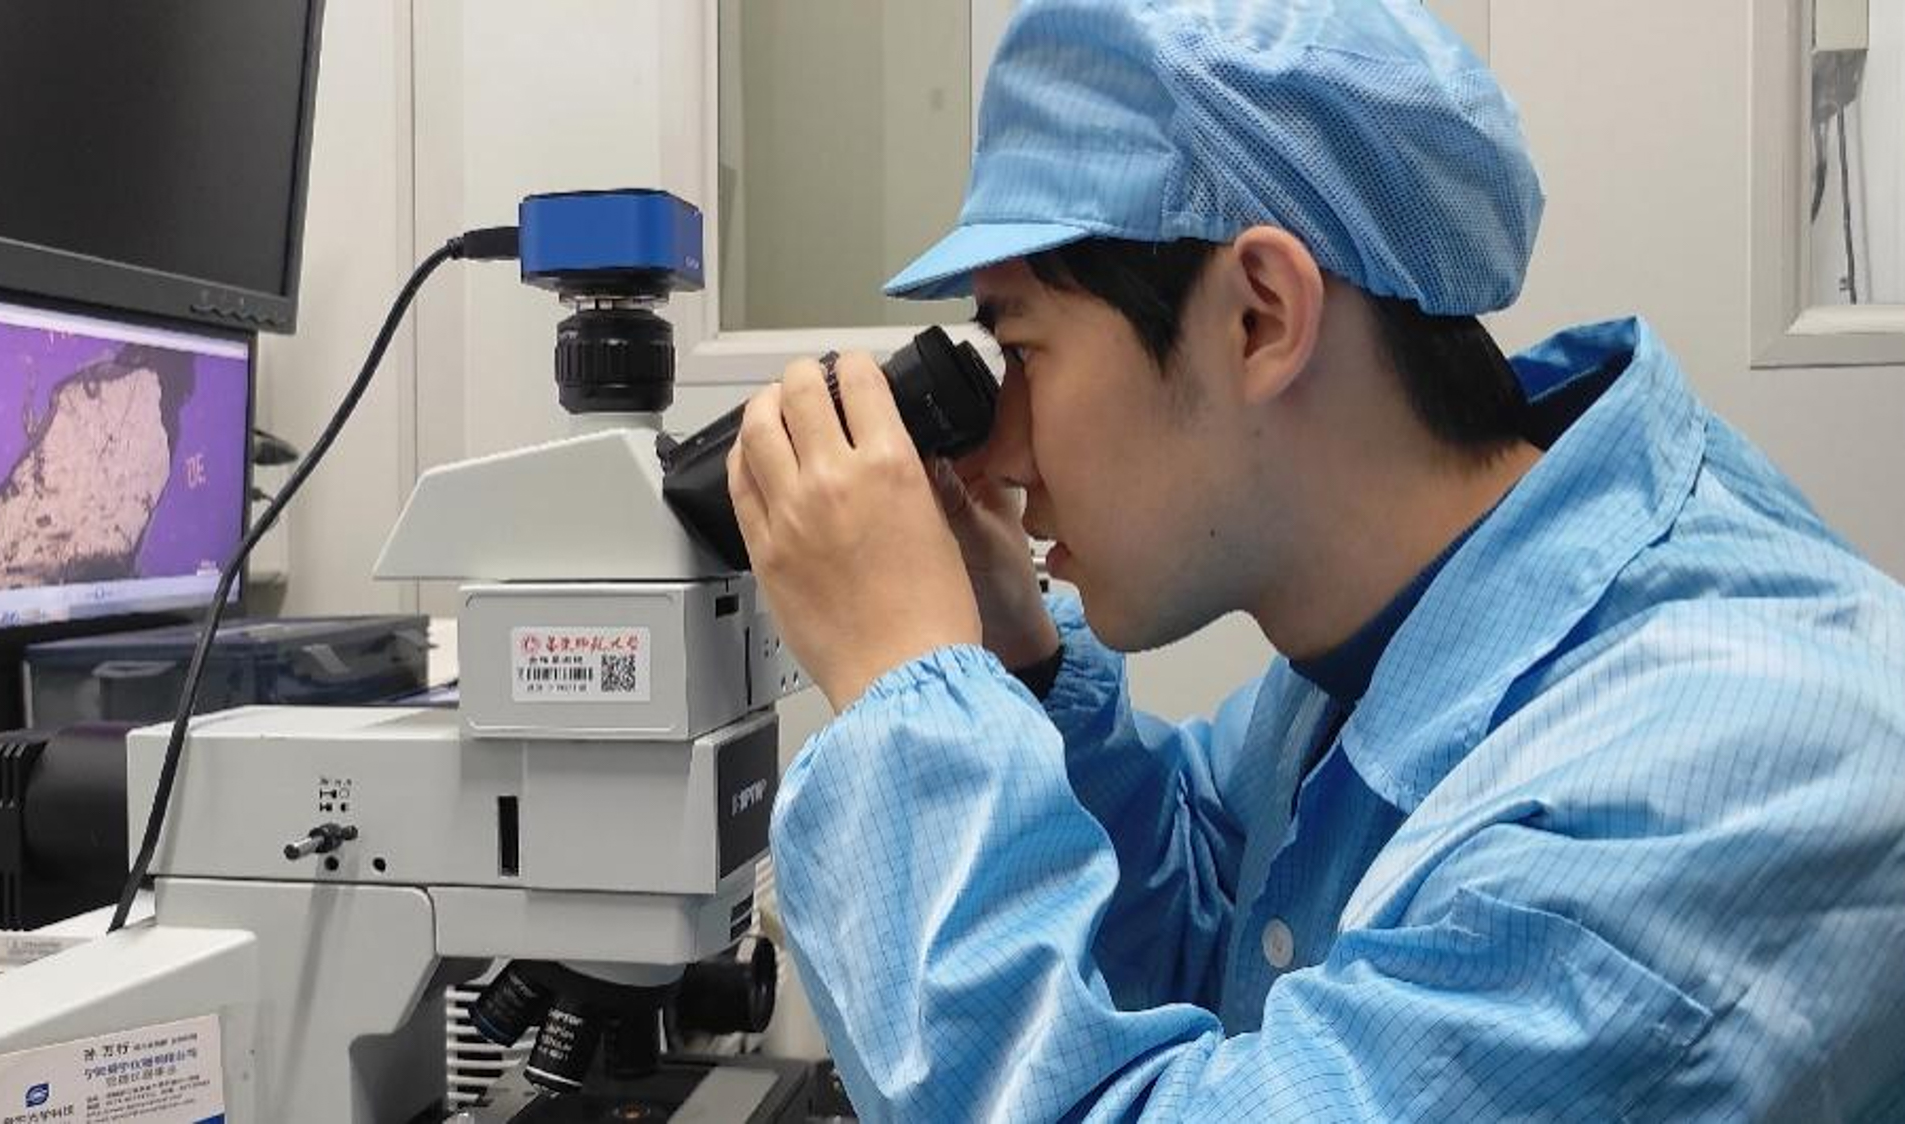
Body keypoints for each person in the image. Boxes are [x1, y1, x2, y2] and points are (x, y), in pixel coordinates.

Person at [723, 1, 1905, 1119]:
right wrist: (1021, 662)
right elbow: (1223, 927)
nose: (1002, 446)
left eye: (1022, 350)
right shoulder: (1392, 635)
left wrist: (905, 699)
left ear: (1261, 318)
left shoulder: (1708, 782)